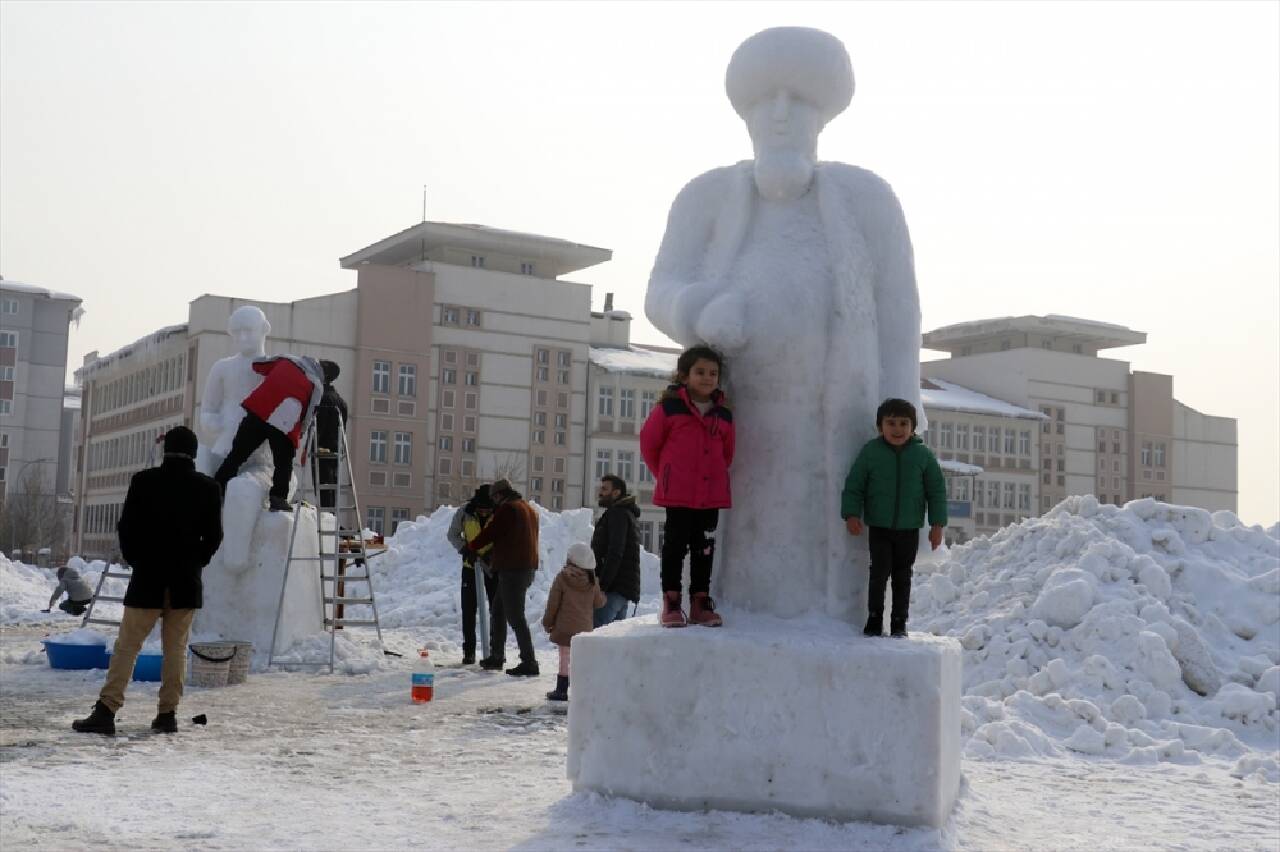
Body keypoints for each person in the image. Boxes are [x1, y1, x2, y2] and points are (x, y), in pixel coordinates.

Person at [644, 27, 924, 624]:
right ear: (744, 114)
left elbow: (900, 319)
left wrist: (907, 415)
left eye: (796, 100)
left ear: (821, 114)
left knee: (833, 538)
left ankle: (842, 618)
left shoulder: (867, 200)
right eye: (764, 100)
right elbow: (660, 290)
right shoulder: (707, 196)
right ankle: (714, 604)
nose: (778, 115)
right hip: (735, 418)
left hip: (836, 421)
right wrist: (698, 308)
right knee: (728, 534)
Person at [73, 426, 224, 736]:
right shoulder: (208, 488)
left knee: (127, 647)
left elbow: (126, 528)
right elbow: (214, 536)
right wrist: (196, 562)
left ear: (165, 449)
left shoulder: (144, 482)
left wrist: (139, 561)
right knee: (176, 650)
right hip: (185, 583)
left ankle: (107, 710)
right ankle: (167, 714)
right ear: (194, 453)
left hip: (148, 580)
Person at [639, 346, 735, 628]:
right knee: (674, 548)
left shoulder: (724, 415)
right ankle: (671, 602)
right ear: (685, 375)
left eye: (713, 373)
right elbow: (649, 444)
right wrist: (667, 476)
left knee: (704, 548)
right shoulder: (669, 408)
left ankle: (700, 602)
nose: (707, 378)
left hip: (711, 496)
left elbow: (727, 454)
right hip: (678, 495)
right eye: (700, 372)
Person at [840, 399, 947, 638]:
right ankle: (874, 619)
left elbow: (936, 491)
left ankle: (899, 621)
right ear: (880, 427)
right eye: (891, 423)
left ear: (913, 427)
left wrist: (937, 525)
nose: (897, 429)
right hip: (879, 526)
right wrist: (851, 514)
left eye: (903, 423)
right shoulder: (871, 452)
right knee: (879, 573)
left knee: (902, 576)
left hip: (909, 528)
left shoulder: (923, 456)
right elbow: (855, 484)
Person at [213, 355, 328, 512]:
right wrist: (300, 432)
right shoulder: (317, 386)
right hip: (285, 424)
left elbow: (259, 364)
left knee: (237, 454)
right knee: (283, 464)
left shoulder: (288, 360)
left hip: (259, 410)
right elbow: (309, 414)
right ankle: (278, 499)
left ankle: (216, 488)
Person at [466, 479, 540, 676]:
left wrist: (471, 546)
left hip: (513, 569)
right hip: (524, 567)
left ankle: (529, 661)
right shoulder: (528, 509)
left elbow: (492, 532)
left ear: (499, 495)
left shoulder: (508, 509)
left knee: (516, 616)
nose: (494, 503)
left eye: (494, 498)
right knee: (498, 611)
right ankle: (497, 657)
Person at [541, 542, 605, 701]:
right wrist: (603, 596)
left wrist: (548, 621)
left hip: (564, 628)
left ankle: (561, 690)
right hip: (584, 629)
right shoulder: (592, 581)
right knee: (580, 659)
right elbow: (598, 603)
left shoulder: (562, 577)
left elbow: (553, 603)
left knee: (565, 657)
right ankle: (582, 689)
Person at [446, 484, 497, 665]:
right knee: (469, 609)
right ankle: (469, 652)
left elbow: (506, 536)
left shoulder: (498, 513)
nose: (484, 513)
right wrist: (465, 549)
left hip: (492, 567)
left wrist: (494, 553)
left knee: (496, 609)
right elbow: (452, 534)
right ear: (476, 506)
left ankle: (496, 651)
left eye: (487, 510)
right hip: (470, 565)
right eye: (481, 510)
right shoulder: (465, 512)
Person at [590, 474, 640, 627]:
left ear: (616, 493)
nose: (600, 492)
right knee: (610, 643)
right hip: (621, 590)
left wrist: (602, 586)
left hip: (612, 590)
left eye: (605, 489)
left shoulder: (617, 514)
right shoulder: (626, 513)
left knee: (594, 638)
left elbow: (615, 552)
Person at [313, 360, 348, 510]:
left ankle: (327, 518)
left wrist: (314, 444)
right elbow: (343, 429)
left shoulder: (322, 398)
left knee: (323, 489)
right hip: (335, 451)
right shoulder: (340, 401)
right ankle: (331, 518)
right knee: (331, 489)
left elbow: (318, 427)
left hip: (321, 451)